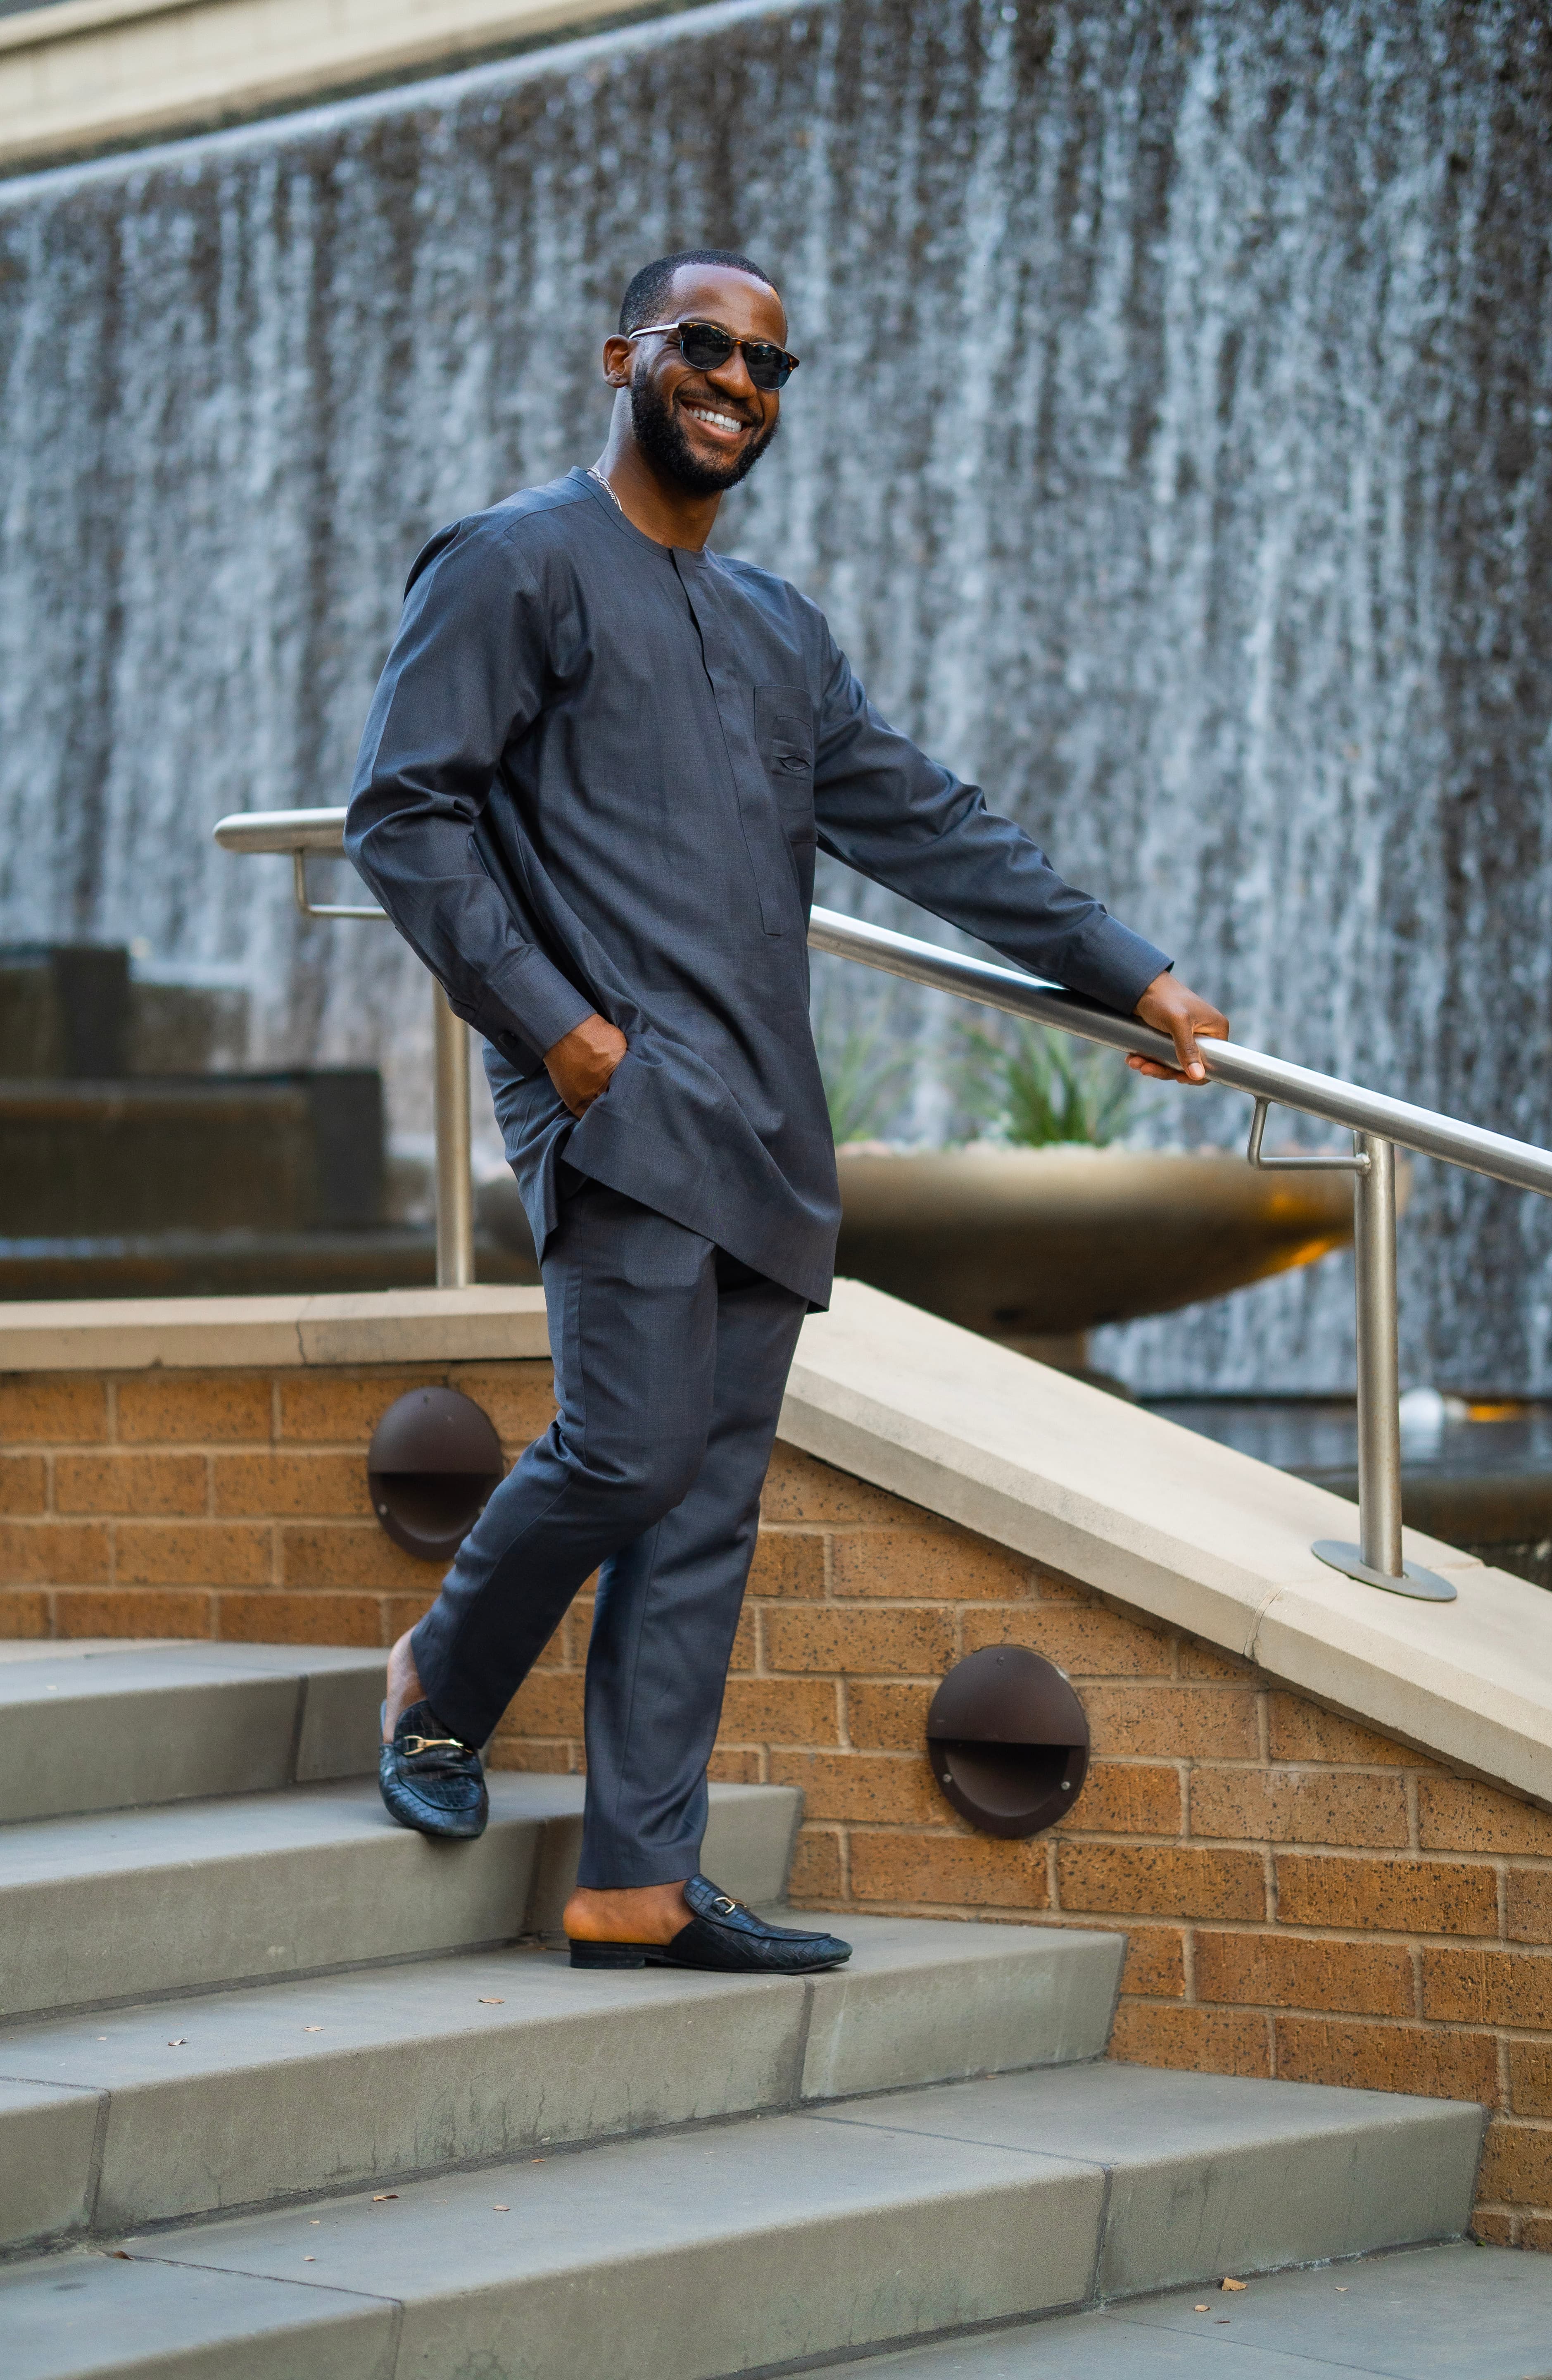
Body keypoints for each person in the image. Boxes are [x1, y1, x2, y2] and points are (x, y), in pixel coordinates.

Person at [344, 246, 1228, 1978]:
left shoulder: (779, 631)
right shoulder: (512, 562)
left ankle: (634, 1883)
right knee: (625, 1449)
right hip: (618, 1111)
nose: (735, 383)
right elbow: (403, 815)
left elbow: (933, 823)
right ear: (624, 357)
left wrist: (1128, 973)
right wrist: (561, 1036)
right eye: (702, 346)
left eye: (766, 364)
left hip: (766, 1125)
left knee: (704, 1509)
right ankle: (440, 1684)